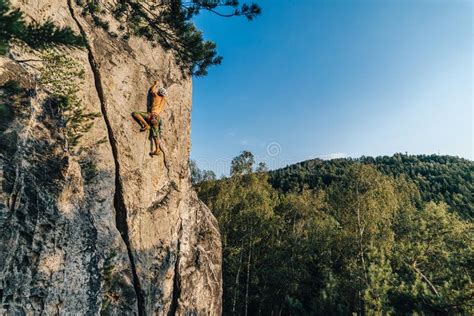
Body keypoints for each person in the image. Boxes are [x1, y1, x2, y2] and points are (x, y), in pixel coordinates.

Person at [132, 80, 167, 156]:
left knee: (135, 113)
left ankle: (146, 125)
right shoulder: (164, 100)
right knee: (155, 134)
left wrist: (156, 84)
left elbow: (152, 90)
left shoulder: (156, 97)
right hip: (158, 119)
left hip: (152, 116)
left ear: (159, 93)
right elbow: (163, 96)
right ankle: (157, 149)